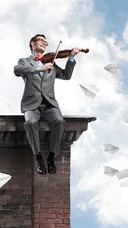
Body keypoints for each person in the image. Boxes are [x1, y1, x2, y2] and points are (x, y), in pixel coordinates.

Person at [13, 34, 81, 175]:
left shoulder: (52, 63)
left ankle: (51, 157)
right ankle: (38, 158)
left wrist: (71, 57)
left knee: (60, 121)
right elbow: (17, 70)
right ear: (33, 43)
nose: (45, 43)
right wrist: (39, 69)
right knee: (30, 123)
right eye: (41, 41)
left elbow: (66, 76)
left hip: (49, 103)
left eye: (46, 42)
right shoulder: (25, 62)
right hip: (31, 104)